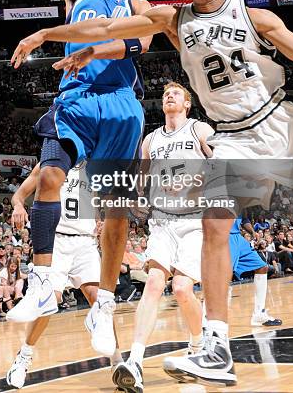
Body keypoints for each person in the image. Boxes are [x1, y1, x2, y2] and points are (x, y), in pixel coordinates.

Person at [12, 0, 293, 386]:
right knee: (216, 224)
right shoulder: (173, 20)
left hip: (280, 121)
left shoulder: (255, 16)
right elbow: (105, 29)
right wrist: (49, 32)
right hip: (233, 136)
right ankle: (216, 344)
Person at [0, 0, 152, 357]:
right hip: (75, 97)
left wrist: (93, 48)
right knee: (51, 174)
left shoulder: (137, 5)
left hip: (119, 104)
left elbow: (140, 43)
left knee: (116, 214)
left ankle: (105, 303)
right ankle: (40, 276)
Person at [113, 82, 213, 393]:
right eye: (166, 94)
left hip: (195, 221)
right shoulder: (151, 140)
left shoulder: (200, 130)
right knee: (155, 282)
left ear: (187, 104)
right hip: (162, 221)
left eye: (176, 94)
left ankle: (198, 346)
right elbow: (141, 180)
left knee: (183, 289)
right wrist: (136, 197)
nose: (169, 96)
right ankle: (136, 360)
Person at [6, 162, 123, 388]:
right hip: (56, 240)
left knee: (100, 300)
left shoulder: (98, 165)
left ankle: (117, 362)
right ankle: (24, 357)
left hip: (86, 243)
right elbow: (19, 195)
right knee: (50, 300)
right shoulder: (53, 161)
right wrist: (18, 206)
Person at [229, 217, 282, 326]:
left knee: (262, 267)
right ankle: (208, 322)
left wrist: (253, 232)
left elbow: (244, 219)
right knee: (222, 277)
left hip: (237, 238)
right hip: (222, 237)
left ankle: (259, 314)